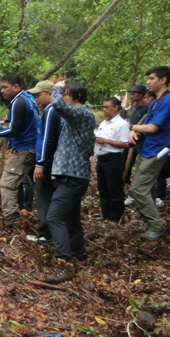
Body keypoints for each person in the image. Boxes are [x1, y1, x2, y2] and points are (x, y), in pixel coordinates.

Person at [44, 81, 95, 284]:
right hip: (70, 175)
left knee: (54, 218)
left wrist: (56, 87)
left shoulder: (83, 113)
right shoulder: (79, 116)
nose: (62, 96)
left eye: (65, 93)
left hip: (72, 177)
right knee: (71, 218)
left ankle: (65, 263)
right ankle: (77, 253)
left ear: (76, 97)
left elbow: (57, 105)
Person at [0, 73, 39, 228]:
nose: (2, 91)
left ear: (16, 87)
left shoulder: (19, 102)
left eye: (5, 87)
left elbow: (14, 130)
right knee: (38, 184)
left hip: (25, 149)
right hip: (33, 147)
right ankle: (45, 218)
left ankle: (11, 221)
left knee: (7, 183)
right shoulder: (28, 98)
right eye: (1, 87)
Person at [129, 66, 170, 240]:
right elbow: (146, 125)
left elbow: (152, 127)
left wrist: (131, 127)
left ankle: (157, 225)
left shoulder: (168, 101)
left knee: (138, 190)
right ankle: (150, 221)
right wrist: (134, 131)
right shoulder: (158, 100)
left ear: (162, 80)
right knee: (147, 188)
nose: (148, 82)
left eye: (151, 79)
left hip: (156, 151)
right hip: (146, 148)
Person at [27, 80, 63, 244]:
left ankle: (45, 233)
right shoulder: (59, 110)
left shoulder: (50, 111)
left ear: (50, 94)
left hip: (48, 163)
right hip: (56, 162)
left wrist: (40, 163)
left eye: (39, 95)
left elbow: (48, 139)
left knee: (43, 196)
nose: (36, 99)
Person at [94, 97, 130, 222]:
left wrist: (106, 141)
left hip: (113, 159)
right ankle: (106, 213)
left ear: (115, 107)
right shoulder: (104, 123)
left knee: (114, 189)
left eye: (106, 107)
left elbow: (125, 144)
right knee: (103, 188)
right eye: (103, 107)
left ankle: (116, 216)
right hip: (101, 159)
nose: (104, 110)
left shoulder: (122, 124)